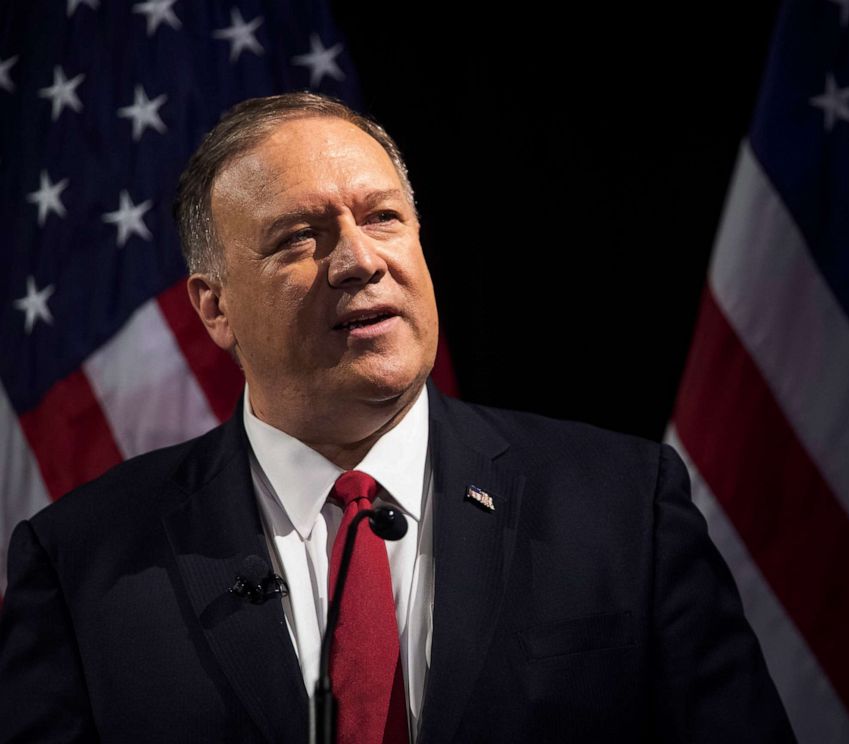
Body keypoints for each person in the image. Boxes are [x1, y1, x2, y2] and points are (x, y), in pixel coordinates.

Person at [0, 92, 796, 743]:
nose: (360, 258)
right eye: (299, 238)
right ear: (215, 309)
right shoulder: (84, 564)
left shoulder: (624, 509)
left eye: (381, 217)